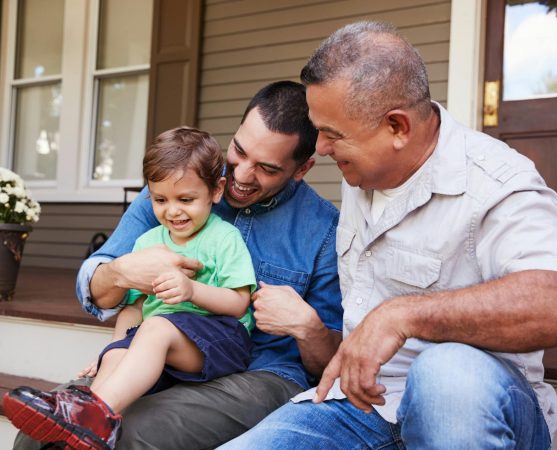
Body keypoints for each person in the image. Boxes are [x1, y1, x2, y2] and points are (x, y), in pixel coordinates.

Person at [219, 21, 557, 450]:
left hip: (473, 412)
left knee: (446, 372)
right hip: (364, 408)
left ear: (398, 128)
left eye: (332, 135)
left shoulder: (495, 181)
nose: (322, 149)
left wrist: (403, 315)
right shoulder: (363, 172)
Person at [12, 81, 343, 450]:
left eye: (266, 168)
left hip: (261, 370)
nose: (243, 175)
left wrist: (308, 327)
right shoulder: (177, 186)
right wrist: (122, 273)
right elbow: (99, 286)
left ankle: (97, 415)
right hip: (162, 351)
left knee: (133, 432)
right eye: (239, 151)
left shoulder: (325, 231)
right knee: (38, 436)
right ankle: (92, 410)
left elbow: (329, 362)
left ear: (302, 168)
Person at [5, 127, 259, 449]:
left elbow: (239, 303)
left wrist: (192, 290)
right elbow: (134, 307)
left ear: (216, 191)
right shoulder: (147, 243)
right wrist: (111, 350)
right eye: (160, 200)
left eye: (186, 199)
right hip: (163, 341)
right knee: (122, 348)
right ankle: (87, 423)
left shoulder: (223, 238)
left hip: (220, 340)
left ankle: (94, 414)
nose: (172, 210)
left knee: (154, 328)